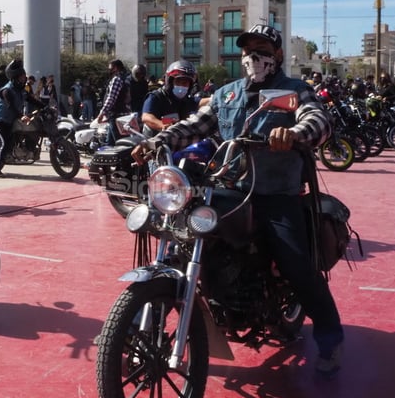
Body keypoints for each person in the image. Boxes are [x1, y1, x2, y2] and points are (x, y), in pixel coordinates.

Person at [132, 23, 344, 376]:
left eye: (261, 49)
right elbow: (194, 125)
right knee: (177, 240)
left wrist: (293, 133)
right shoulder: (227, 95)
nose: (253, 56)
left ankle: (330, 339)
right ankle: (142, 331)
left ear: (277, 54)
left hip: (276, 195)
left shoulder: (294, 90)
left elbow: (319, 121)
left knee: (296, 264)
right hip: (229, 191)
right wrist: (159, 141)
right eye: (248, 50)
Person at [0, 59, 32, 177]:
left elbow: (31, 99)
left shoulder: (21, 90)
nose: (24, 78)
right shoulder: (7, 90)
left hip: (10, 121)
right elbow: (11, 106)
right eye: (22, 76)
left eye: (24, 76)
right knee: (4, 143)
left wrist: (45, 106)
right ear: (15, 77)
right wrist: (22, 116)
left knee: (10, 143)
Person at [141, 60, 199, 137]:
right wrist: (162, 125)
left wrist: (215, 98)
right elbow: (146, 117)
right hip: (155, 139)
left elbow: (201, 102)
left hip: (179, 140)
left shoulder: (187, 100)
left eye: (185, 83)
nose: (182, 85)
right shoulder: (156, 97)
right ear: (170, 82)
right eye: (178, 81)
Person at [95, 59, 130, 145]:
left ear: (115, 68)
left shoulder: (117, 79)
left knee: (120, 144)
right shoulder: (125, 78)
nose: (108, 69)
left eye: (110, 67)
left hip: (116, 115)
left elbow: (111, 98)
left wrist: (102, 113)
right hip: (121, 114)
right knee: (110, 143)